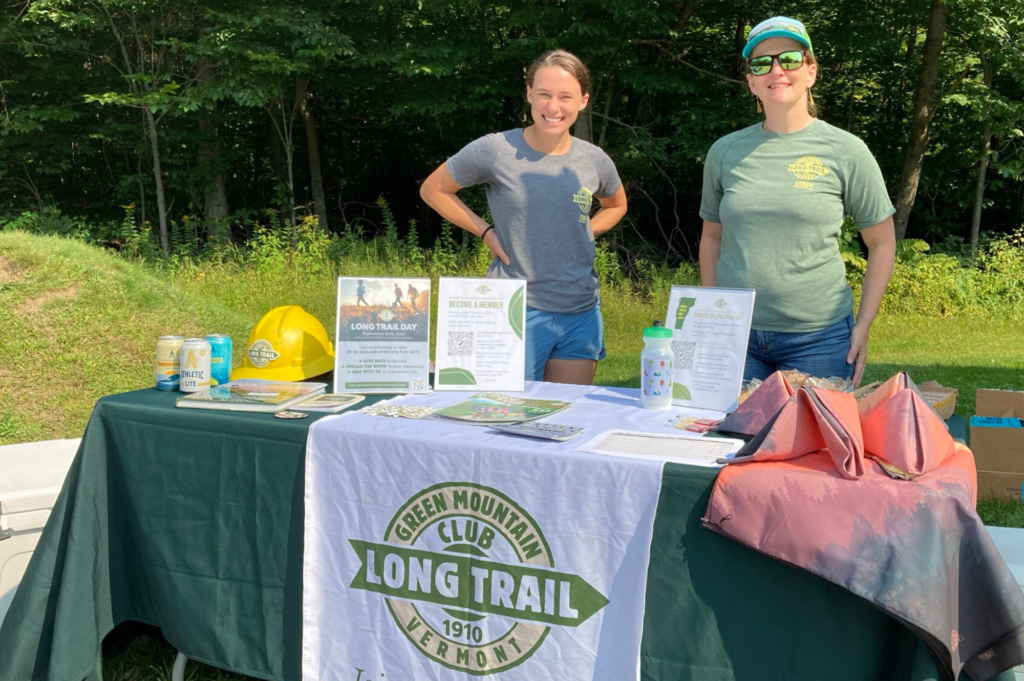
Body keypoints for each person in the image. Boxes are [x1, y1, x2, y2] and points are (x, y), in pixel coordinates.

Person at [699, 16, 896, 388]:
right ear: (751, 81)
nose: (777, 70)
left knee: (813, 445)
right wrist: (711, 316)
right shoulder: (724, 152)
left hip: (818, 338)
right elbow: (712, 238)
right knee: (727, 443)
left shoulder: (847, 151)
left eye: (789, 59)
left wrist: (864, 325)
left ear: (811, 72)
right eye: (762, 63)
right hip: (735, 336)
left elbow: (882, 243)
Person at [420, 50, 628, 384]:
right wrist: (486, 232)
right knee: (504, 417)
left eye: (565, 97)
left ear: (584, 101)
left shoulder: (594, 160)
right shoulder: (496, 149)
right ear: (529, 93)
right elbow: (434, 190)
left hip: (581, 311)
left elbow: (616, 205)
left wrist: (583, 231)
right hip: (515, 308)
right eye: (544, 94)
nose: (553, 107)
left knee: (565, 417)